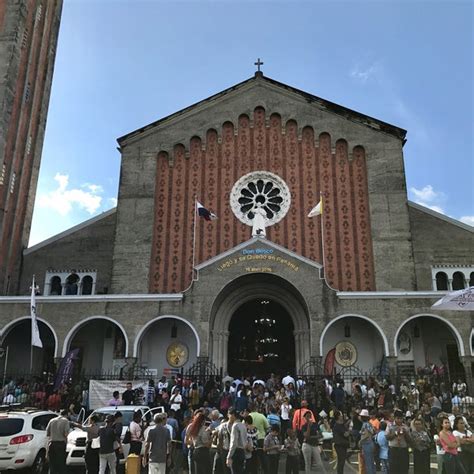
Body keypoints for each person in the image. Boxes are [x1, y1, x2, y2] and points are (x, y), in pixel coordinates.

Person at [46, 408, 70, 474]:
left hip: (52, 444)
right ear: (66, 415)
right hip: (61, 444)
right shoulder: (66, 421)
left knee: (52, 464)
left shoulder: (52, 420)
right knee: (61, 463)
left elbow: (47, 433)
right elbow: (65, 434)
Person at [226, 410, 247, 474]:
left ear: (233, 415)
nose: (228, 417)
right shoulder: (243, 425)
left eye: (229, 415)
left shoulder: (235, 426)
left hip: (236, 452)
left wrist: (229, 456)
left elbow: (234, 442)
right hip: (242, 451)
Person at [359, 409, 376, 474]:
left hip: (366, 444)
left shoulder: (365, 424)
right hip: (370, 443)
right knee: (371, 462)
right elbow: (372, 432)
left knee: (368, 463)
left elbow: (366, 434)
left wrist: (360, 441)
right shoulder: (369, 423)